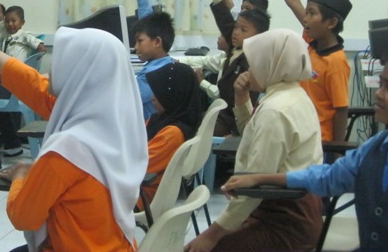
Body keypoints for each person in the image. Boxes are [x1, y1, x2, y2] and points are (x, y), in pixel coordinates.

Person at [0, 0, 148, 251]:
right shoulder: (119, 119)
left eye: (59, 62)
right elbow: (33, 84)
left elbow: (23, 217)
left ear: (79, 72)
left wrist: (21, 175)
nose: (48, 70)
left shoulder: (68, 151)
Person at [222, 58, 388, 251]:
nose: (378, 93)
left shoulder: (278, 108)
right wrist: (259, 178)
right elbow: (327, 177)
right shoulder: (374, 148)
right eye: (381, 84)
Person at [184, 29, 323, 252]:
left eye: (254, 64)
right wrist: (241, 98)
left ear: (271, 64)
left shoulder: (276, 110)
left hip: (284, 222)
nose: (248, 71)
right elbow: (254, 133)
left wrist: (212, 234)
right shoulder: (292, 95)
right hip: (296, 211)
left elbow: (254, 181)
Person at [263, 0, 352, 142]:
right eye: (306, 12)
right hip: (301, 134)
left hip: (321, 142)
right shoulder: (312, 43)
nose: (305, 18)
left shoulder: (336, 62)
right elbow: (292, 0)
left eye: (311, 13)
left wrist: (337, 150)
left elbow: (341, 110)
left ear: (331, 23)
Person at [209, 0, 270, 136]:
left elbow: (248, 104)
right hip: (223, 113)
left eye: (243, 29)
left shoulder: (254, 61)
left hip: (236, 121)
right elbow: (222, 14)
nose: (235, 32)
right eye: (236, 27)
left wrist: (235, 133)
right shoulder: (236, 43)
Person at [139, 62, 203, 208]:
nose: (153, 98)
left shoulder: (172, 133)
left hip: (141, 194)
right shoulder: (160, 119)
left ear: (175, 93)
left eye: (159, 92)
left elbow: (140, 165)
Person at [0, 4, 46, 156]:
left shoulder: (24, 35)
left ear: (22, 22)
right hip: (8, 77)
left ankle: (13, 145)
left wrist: (31, 65)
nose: (10, 24)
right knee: (9, 108)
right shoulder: (5, 36)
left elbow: (41, 47)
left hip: (16, 77)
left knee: (1, 107)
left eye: (14, 21)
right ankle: (15, 139)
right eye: (7, 21)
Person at [132, 12, 175, 120]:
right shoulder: (168, 63)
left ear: (157, 42)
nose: (135, 47)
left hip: (147, 128)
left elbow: (126, 101)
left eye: (139, 41)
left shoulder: (151, 75)